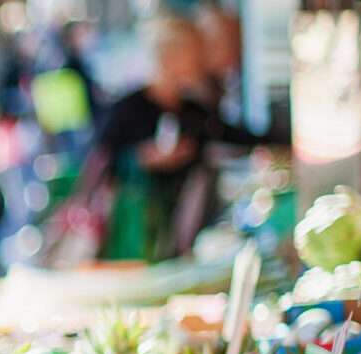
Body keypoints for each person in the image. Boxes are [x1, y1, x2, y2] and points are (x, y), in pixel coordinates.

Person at [86, 17, 271, 260]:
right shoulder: (128, 109)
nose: (201, 60)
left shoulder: (194, 111)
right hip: (130, 241)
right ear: (169, 56)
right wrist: (142, 159)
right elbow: (99, 164)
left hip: (179, 244)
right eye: (194, 52)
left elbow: (238, 137)